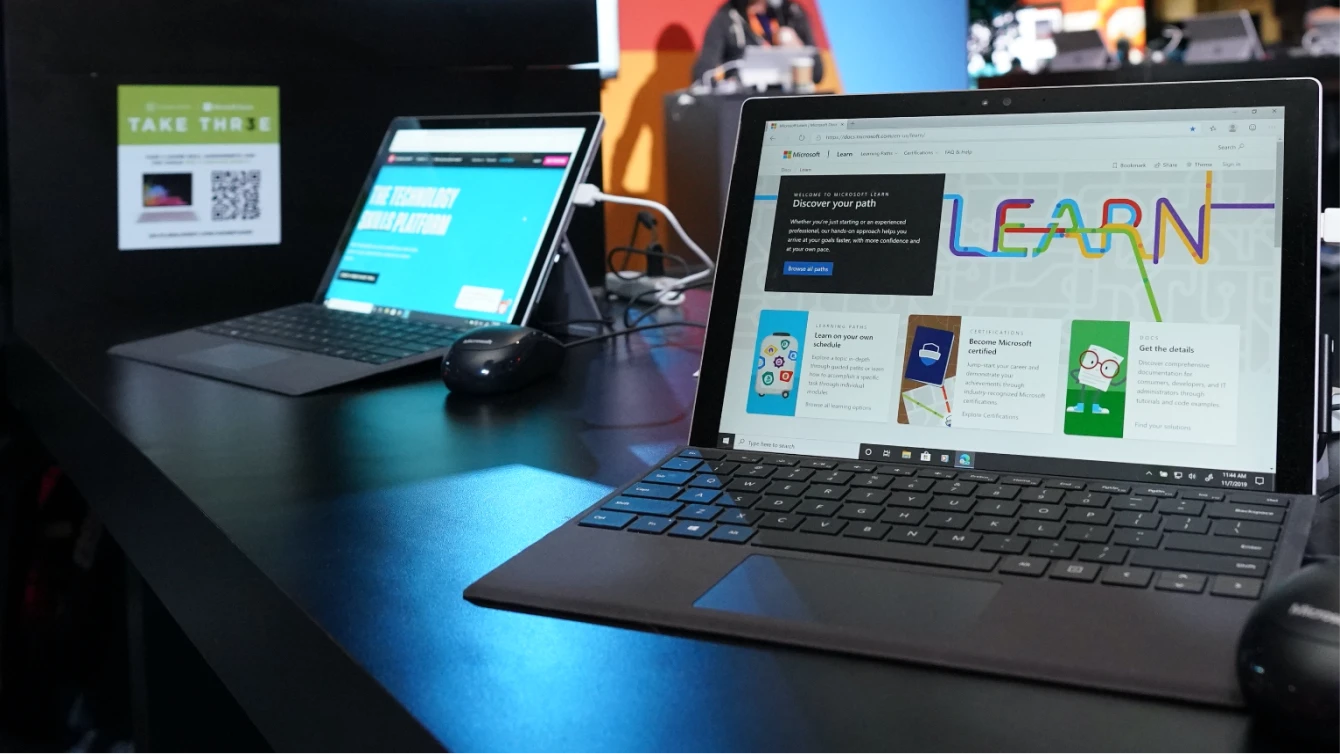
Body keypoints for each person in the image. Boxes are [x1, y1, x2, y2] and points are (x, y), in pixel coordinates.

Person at [691, 0, 825, 85]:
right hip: (747, 104)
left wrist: (798, 50)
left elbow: (818, 73)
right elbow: (702, 74)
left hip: (789, 102)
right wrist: (727, 86)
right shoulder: (726, 18)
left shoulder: (791, 14)